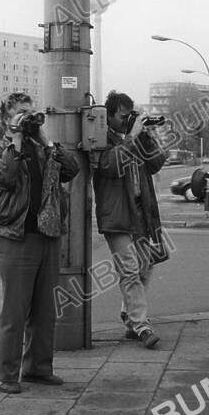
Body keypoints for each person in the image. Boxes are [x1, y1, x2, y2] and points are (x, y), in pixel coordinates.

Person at [0, 91, 80, 394]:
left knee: (44, 310)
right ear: (5, 120)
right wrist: (16, 138)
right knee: (15, 311)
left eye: (31, 112)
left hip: (46, 235)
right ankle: (6, 375)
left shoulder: (43, 149)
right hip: (14, 238)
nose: (28, 117)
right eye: (22, 113)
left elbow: (71, 169)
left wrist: (45, 137)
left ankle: (38, 369)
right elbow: (6, 176)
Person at [93, 90, 169, 349]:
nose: (127, 121)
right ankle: (141, 324)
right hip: (116, 214)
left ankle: (128, 314)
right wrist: (133, 136)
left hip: (139, 211)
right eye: (123, 116)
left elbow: (157, 163)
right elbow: (109, 167)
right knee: (129, 268)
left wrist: (147, 137)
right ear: (110, 115)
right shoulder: (101, 138)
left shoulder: (133, 138)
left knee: (145, 264)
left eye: (129, 116)